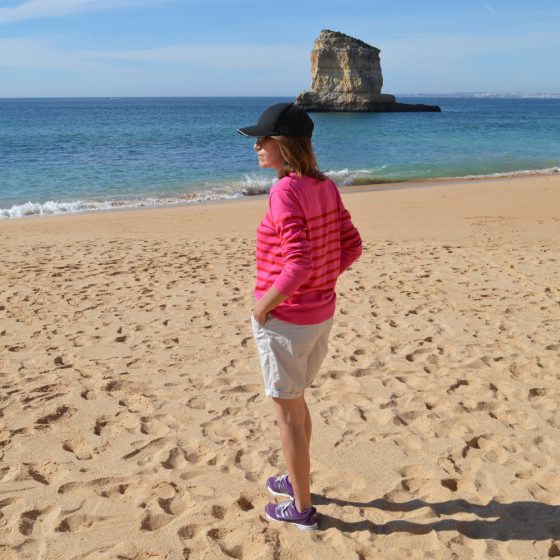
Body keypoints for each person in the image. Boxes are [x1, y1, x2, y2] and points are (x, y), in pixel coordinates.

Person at [237, 103, 362, 530]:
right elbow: (351, 246)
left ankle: (301, 508)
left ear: (284, 144)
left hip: (287, 320)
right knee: (296, 402)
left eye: (263, 139)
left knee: (287, 413)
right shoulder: (324, 185)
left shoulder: (284, 191)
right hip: (318, 313)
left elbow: (298, 263)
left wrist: (262, 306)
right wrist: (322, 282)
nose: (256, 145)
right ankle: (295, 482)